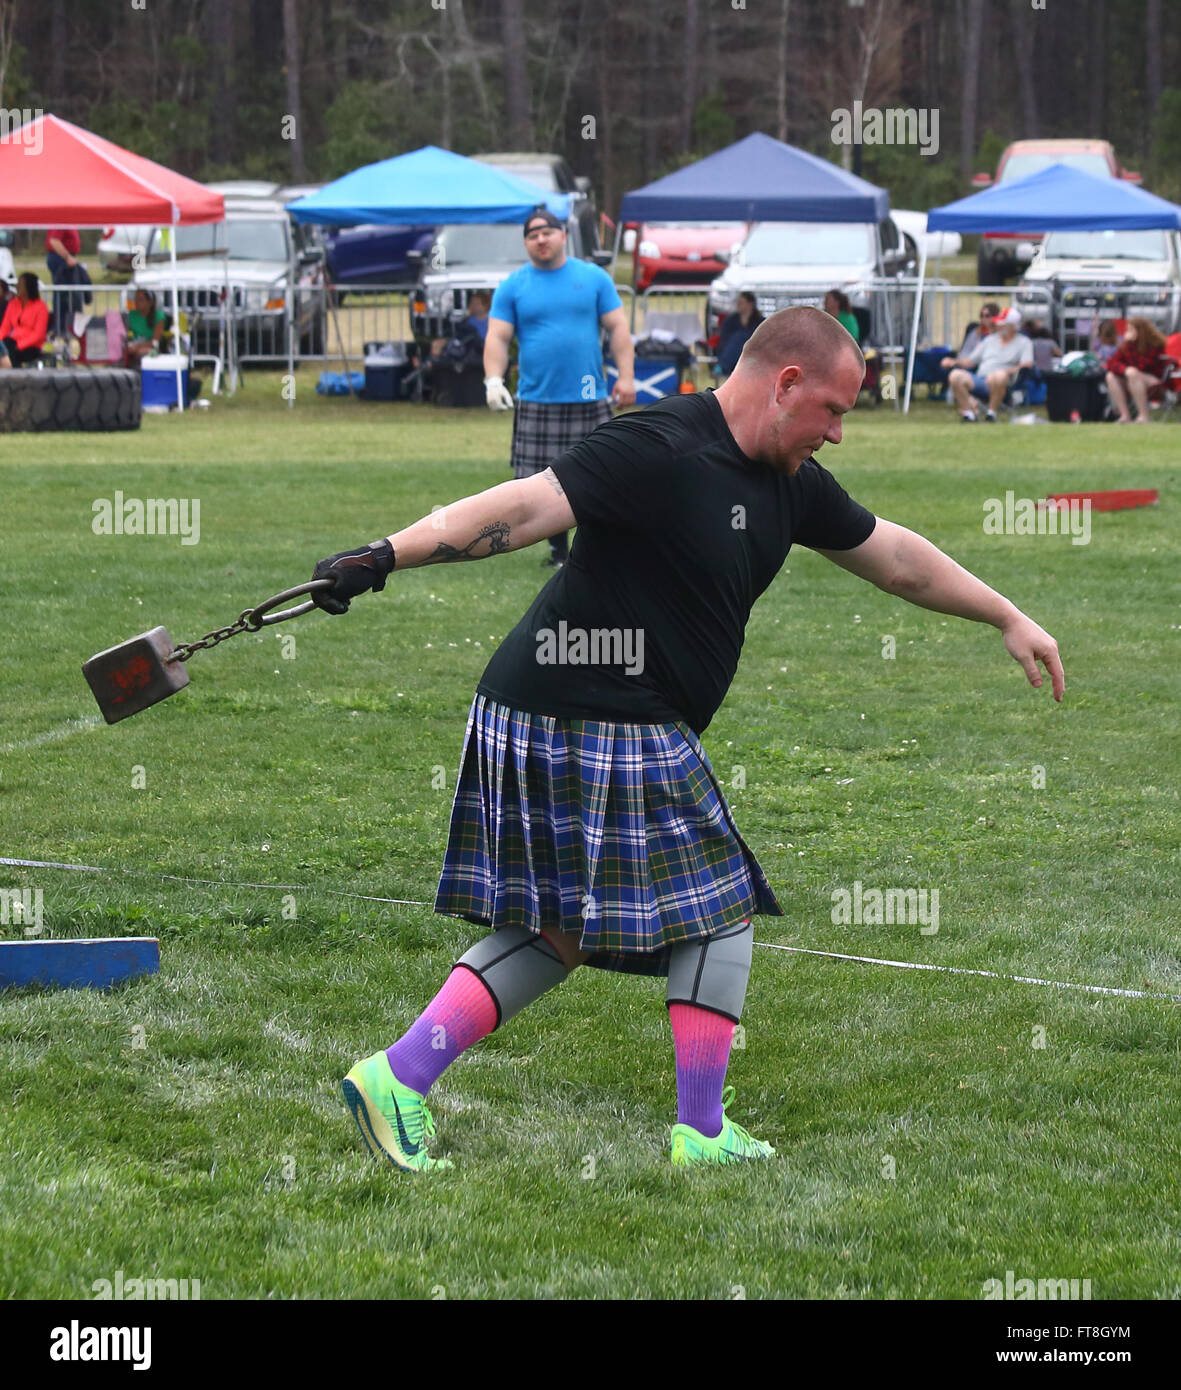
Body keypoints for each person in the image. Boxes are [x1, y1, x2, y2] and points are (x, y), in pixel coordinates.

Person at [308, 304, 1065, 1173]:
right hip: (592, 711)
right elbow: (520, 511)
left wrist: (1004, 613)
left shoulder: (787, 480)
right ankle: (699, 1135)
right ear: (786, 384)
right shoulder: (658, 444)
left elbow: (892, 555)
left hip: (562, 709)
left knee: (562, 930)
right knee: (717, 912)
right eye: (834, 410)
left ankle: (397, 1077)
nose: (838, 434)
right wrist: (384, 556)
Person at [484, 205, 635, 568]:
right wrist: (492, 379)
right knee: (541, 481)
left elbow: (618, 328)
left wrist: (626, 377)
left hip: (588, 396)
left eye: (547, 233)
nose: (540, 240)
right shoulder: (513, 286)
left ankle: (595, 547)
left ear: (563, 235)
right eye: (532, 236)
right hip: (538, 397)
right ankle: (557, 551)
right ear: (527, 243)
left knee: (600, 472)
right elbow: (497, 338)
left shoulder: (593, 277)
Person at [941, 306, 1034, 421]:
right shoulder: (989, 340)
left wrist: (1003, 373)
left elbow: (1027, 365)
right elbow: (970, 361)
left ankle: (991, 414)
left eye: (1001, 324)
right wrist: (953, 361)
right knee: (955, 375)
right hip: (980, 379)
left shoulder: (1024, 343)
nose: (997, 326)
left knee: (999, 376)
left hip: (1004, 382)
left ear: (1012, 326)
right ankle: (969, 414)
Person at [1104, 317, 1172, 424]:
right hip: (1133, 381)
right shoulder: (1127, 345)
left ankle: (1144, 416)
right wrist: (1125, 369)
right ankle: (1125, 415)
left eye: (1130, 330)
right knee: (1111, 376)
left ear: (1140, 331)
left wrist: (1129, 368)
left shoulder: (1155, 344)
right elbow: (1111, 363)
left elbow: (1144, 366)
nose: (1126, 333)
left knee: (1133, 373)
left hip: (1155, 382)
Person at [45, 226, 90, 340]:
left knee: (70, 297)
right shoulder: (61, 218)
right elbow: (54, 241)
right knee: (64, 298)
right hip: (61, 260)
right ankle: (61, 330)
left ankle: (69, 329)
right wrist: (67, 257)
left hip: (65, 258)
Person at [0, 272, 50, 368]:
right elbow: (4, 328)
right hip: (12, 342)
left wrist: (20, 345)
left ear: (28, 287)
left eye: (20, 284)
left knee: (10, 353)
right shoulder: (13, 304)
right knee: (5, 348)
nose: (17, 287)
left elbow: (38, 334)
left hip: (31, 346)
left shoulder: (40, 306)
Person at [716, 291, 764, 376]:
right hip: (732, 353)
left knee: (742, 337)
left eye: (741, 302)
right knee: (739, 338)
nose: (738, 305)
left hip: (752, 354)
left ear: (750, 304)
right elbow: (724, 340)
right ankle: (724, 365)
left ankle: (722, 366)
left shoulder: (760, 322)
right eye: (738, 302)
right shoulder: (730, 321)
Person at [125, 288, 167, 364]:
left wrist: (138, 346)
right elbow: (127, 334)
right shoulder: (132, 315)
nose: (136, 302)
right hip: (134, 346)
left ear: (150, 303)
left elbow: (155, 341)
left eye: (140, 300)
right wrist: (131, 345)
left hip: (154, 349)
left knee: (144, 352)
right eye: (136, 299)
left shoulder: (159, 317)